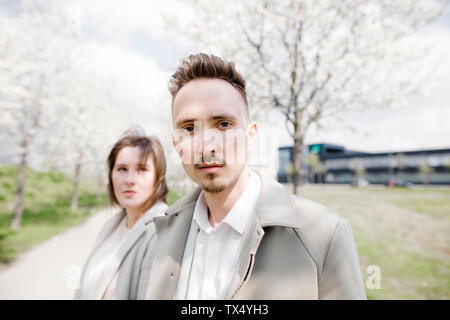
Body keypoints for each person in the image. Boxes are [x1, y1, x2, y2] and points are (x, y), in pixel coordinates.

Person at [144, 53, 366, 299]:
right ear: (176, 144)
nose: (207, 146)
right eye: (189, 128)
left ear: (250, 137)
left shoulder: (325, 235)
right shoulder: (162, 233)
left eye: (224, 124)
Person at [75, 131, 169, 300]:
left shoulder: (161, 231)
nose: (130, 179)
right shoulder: (112, 225)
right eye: (122, 169)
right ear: (111, 175)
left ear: (158, 178)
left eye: (142, 169)